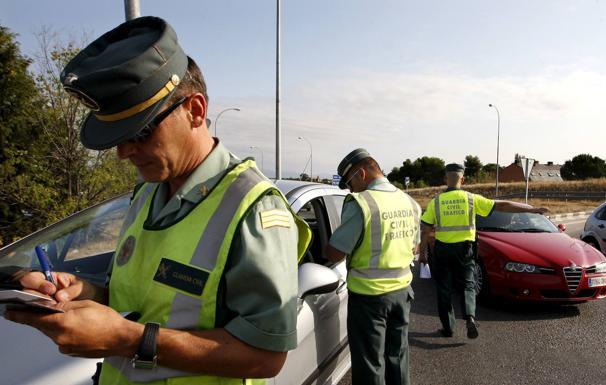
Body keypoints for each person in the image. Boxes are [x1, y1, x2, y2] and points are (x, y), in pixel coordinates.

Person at [3, 16, 311, 385]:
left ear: (195, 111)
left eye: (140, 132)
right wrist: (83, 292)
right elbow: (145, 302)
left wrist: (125, 339)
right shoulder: (147, 192)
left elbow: (265, 357)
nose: (123, 152)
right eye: (117, 136)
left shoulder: (254, 208)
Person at [419, 163, 548, 339]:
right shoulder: (471, 199)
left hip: (443, 250)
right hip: (465, 250)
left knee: (444, 289)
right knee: (467, 285)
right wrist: (531, 210)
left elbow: (425, 229)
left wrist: (423, 254)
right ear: (462, 179)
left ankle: (448, 328)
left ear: (445, 179)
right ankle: (470, 317)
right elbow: (502, 206)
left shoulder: (436, 202)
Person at [325, 148, 421, 385]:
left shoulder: (362, 203)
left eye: (350, 183)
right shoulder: (409, 201)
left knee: (370, 364)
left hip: (369, 297)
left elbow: (336, 251)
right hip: (402, 293)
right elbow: (414, 248)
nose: (350, 189)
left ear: (361, 173)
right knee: (398, 356)